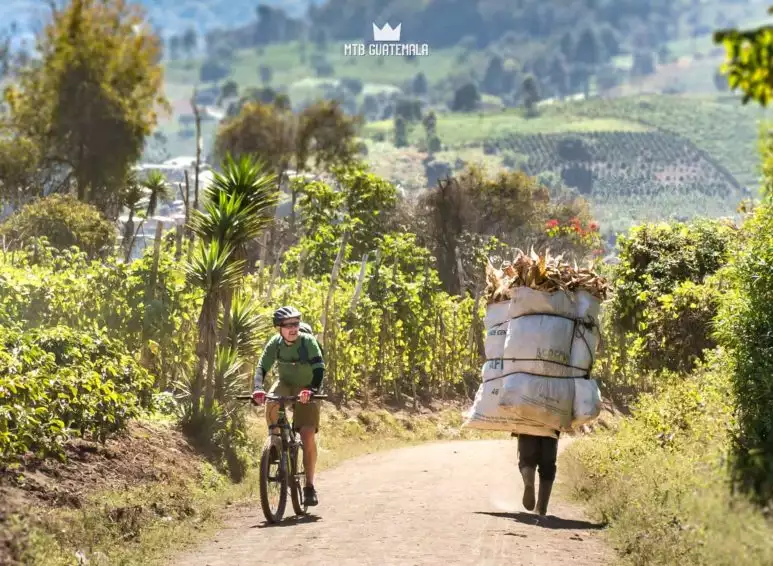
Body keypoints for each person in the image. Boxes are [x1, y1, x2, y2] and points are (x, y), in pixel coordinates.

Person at [251, 306, 325, 506]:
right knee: (272, 400)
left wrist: (311, 389)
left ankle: (309, 486)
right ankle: (275, 442)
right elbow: (261, 367)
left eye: (296, 324)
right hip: (285, 383)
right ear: (279, 328)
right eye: (288, 325)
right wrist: (258, 388)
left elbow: (319, 367)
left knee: (308, 434)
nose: (294, 328)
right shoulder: (275, 344)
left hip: (307, 386)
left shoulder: (308, 341)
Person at [516, 432, 559, 516]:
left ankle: (529, 483)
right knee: (548, 466)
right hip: (551, 426)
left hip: (527, 425)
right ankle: (541, 507)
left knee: (526, 460)